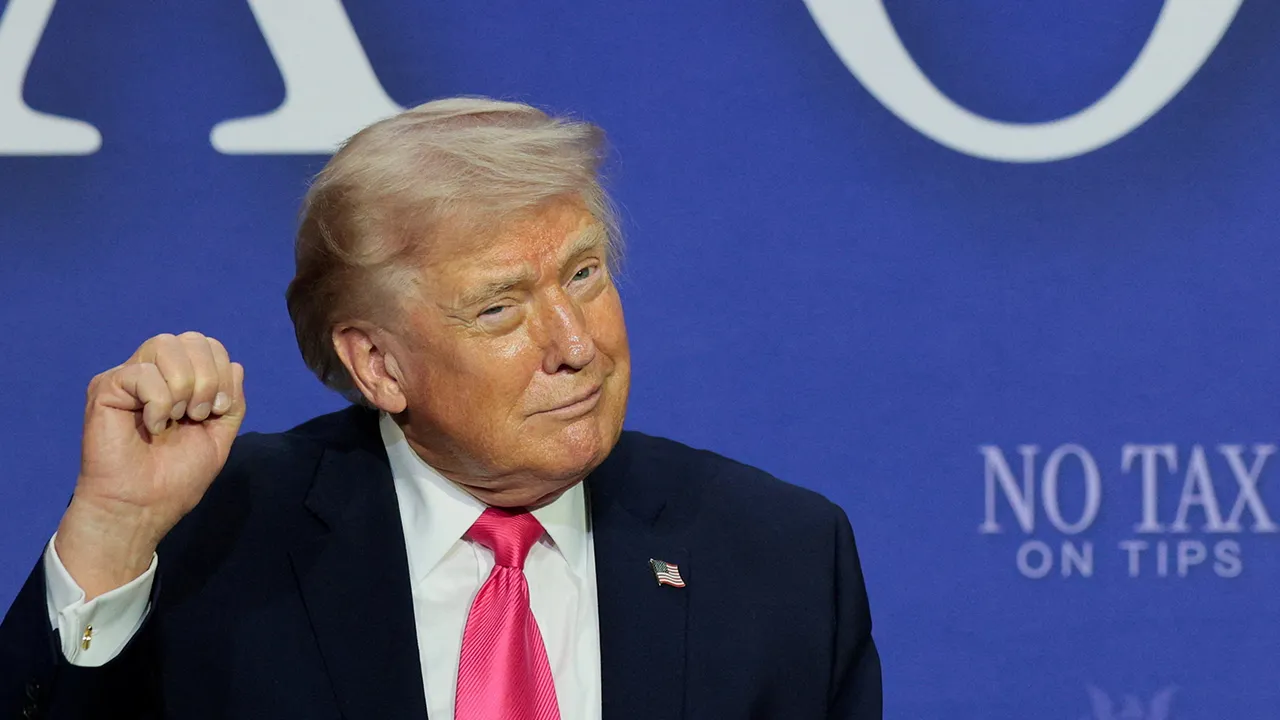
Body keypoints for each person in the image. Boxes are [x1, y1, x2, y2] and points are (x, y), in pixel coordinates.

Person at [0, 97, 880, 719]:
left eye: (584, 274)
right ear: (379, 365)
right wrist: (115, 534)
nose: (575, 342)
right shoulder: (218, 537)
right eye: (499, 308)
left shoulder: (782, 560)